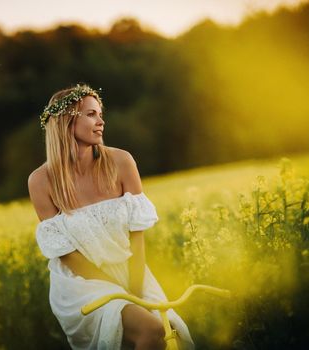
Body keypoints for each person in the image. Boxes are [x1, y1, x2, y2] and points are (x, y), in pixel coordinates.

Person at [28, 84, 194, 350]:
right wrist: (119, 291)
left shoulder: (121, 162)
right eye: (91, 114)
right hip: (82, 283)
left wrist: (135, 290)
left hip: (131, 272)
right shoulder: (41, 181)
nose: (101, 121)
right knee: (150, 331)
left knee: (170, 332)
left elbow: (137, 237)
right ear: (67, 120)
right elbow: (67, 255)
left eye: (100, 113)